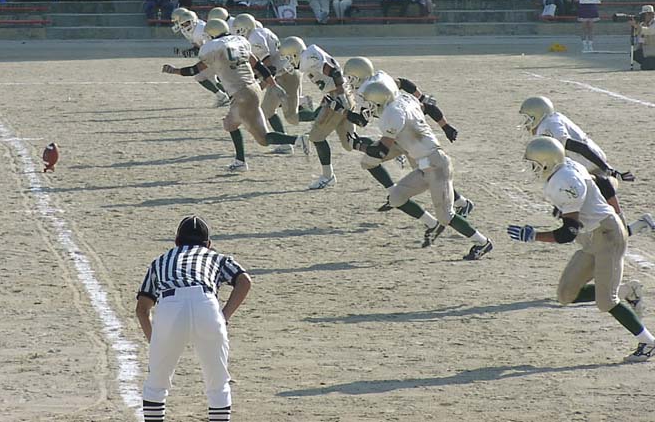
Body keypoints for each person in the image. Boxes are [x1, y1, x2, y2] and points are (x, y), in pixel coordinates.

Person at [509, 138, 655, 362]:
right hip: (591, 237)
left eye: (534, 164)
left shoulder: (565, 181)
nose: (532, 168)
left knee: (606, 302)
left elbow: (568, 233)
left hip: (607, 236)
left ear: (547, 162)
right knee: (566, 295)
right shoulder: (565, 167)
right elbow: (597, 183)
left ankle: (648, 343)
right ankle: (627, 291)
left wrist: (533, 236)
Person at [357, 80, 494, 260]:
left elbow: (381, 151)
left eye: (368, 102)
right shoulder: (405, 99)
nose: (366, 106)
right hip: (425, 165)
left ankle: (482, 242)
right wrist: (445, 126)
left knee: (446, 216)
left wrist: (359, 145)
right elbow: (429, 107)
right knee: (396, 198)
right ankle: (433, 223)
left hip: (436, 165)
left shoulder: (391, 115)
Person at [136, 215, 252, 422]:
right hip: (206, 303)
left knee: (156, 384)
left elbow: (142, 309)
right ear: (208, 244)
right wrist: (223, 316)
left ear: (176, 241)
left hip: (170, 305)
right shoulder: (215, 257)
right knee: (218, 385)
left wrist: (156, 343)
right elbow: (244, 281)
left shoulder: (160, 261)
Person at [162, 18, 309, 171]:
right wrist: (273, 84)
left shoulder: (213, 48)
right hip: (254, 89)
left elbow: (194, 70)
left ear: (211, 34)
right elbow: (259, 66)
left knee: (263, 139)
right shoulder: (240, 41)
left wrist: (174, 70)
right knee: (230, 124)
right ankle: (240, 162)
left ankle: (297, 140)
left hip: (241, 96)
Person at [279, 37, 351, 189]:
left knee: (316, 137)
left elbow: (335, 72)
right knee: (350, 143)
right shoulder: (308, 55)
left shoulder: (308, 57)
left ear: (295, 53)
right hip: (337, 95)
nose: (288, 61)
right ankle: (389, 149)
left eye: (288, 57)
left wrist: (340, 96)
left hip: (338, 97)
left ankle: (328, 176)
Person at [170, 8, 230, 106]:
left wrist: (190, 52)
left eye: (181, 22)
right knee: (211, 78)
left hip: (216, 54)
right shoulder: (191, 29)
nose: (179, 25)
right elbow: (198, 47)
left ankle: (226, 96)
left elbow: (207, 47)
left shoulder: (199, 31)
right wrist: (188, 52)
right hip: (213, 53)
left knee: (201, 76)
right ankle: (225, 96)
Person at [631, 4, 655, 70]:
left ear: (652, 14)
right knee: (634, 54)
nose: (644, 17)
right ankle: (648, 62)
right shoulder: (642, 24)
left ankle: (649, 63)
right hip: (647, 52)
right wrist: (635, 26)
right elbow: (639, 37)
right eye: (643, 15)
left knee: (645, 66)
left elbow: (649, 31)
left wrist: (637, 27)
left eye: (646, 14)